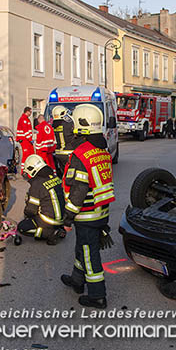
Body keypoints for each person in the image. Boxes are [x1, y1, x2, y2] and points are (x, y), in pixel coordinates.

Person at [60, 104, 115, 309]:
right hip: (100, 211)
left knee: (89, 252)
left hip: (87, 214)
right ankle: (77, 279)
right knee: (82, 246)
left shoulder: (81, 154)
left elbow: (78, 192)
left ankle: (97, 295)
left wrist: (67, 218)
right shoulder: (101, 148)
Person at [17, 155, 66, 245]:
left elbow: (31, 210)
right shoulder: (55, 177)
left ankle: (49, 233)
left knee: (22, 227)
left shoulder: (37, 184)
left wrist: (27, 217)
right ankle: (59, 228)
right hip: (62, 219)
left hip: (47, 221)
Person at [52, 105, 76, 178]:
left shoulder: (54, 124)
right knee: (71, 175)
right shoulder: (68, 124)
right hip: (69, 152)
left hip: (59, 153)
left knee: (63, 174)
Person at [16, 107, 33, 174]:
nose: (31, 113)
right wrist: (30, 139)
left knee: (30, 155)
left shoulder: (26, 119)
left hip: (27, 140)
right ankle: (23, 171)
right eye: (30, 112)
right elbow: (26, 131)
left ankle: (27, 169)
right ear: (27, 111)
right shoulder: (23, 119)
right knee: (25, 156)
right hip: (24, 140)